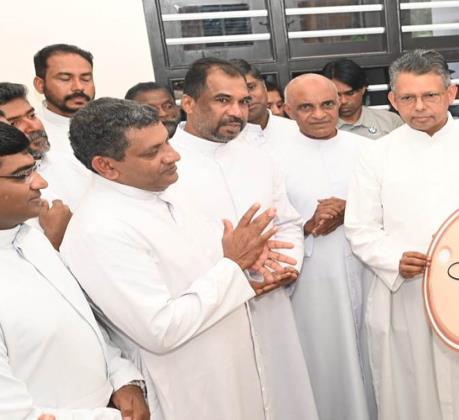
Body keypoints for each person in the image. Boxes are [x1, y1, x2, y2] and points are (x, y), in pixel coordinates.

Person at [60, 98, 289, 420]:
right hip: (187, 389)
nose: (173, 155)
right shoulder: (99, 229)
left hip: (229, 369)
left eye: (166, 141)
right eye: (153, 152)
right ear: (106, 166)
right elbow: (161, 330)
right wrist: (233, 265)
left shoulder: (167, 190)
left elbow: (205, 267)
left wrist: (248, 264)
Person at [345, 49, 459, 420]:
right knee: (411, 392)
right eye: (407, 98)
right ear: (392, 100)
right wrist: (395, 259)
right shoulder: (377, 155)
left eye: (430, 95)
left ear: (451, 94)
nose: (419, 107)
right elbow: (360, 227)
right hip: (406, 292)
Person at [166, 57, 319, 420]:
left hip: (271, 305)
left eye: (243, 101)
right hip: (210, 317)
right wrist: (236, 273)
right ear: (188, 103)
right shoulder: (166, 166)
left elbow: (287, 222)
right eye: (223, 100)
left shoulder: (260, 159)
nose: (237, 112)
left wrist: (283, 268)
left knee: (284, 399)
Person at [0, 123, 148, 420]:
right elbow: (14, 414)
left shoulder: (31, 238)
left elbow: (82, 321)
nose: (41, 182)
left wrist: (123, 379)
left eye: (34, 168)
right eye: (21, 175)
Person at [273, 73, 373, 420]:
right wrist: (306, 224)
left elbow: (394, 206)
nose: (319, 114)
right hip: (311, 279)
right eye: (306, 107)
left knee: (375, 357)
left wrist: (349, 209)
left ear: (340, 103)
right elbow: (268, 222)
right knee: (325, 360)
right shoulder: (270, 160)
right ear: (288, 110)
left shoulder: (368, 151)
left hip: (368, 270)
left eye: (327, 104)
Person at [0, 82, 73, 249]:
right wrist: (55, 239)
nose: (33, 126)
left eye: (32, 115)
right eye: (14, 123)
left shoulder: (74, 163)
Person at [31, 44, 96, 206]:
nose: (78, 87)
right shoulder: (29, 133)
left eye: (86, 78)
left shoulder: (118, 124)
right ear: (40, 84)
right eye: (65, 79)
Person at [322, 58, 403, 139]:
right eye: (337, 95)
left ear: (363, 89)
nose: (343, 101)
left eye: (350, 93)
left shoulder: (390, 121)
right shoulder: (321, 127)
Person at [229, 58, 299, 146]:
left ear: (264, 86)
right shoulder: (223, 140)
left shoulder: (296, 130)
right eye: (237, 92)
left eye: (251, 87)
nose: (247, 96)